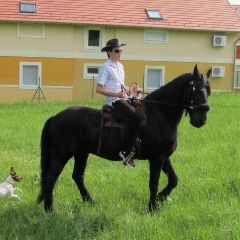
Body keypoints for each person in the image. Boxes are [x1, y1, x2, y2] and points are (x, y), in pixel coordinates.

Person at [96, 38, 140, 167]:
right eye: (117, 51)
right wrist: (116, 94)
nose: (120, 53)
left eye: (121, 50)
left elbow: (121, 87)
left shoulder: (120, 66)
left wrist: (131, 89)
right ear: (109, 52)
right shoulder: (105, 67)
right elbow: (99, 88)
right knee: (135, 117)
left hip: (124, 97)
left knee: (142, 110)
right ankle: (125, 151)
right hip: (115, 101)